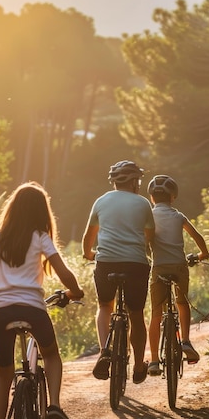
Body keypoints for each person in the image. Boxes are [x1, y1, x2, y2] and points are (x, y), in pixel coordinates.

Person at [0, 182, 84, 419]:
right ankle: (54, 406)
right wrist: (76, 292)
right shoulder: (41, 237)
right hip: (33, 309)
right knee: (52, 356)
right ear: (40, 212)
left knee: (3, 373)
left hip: (1, 311)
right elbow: (64, 273)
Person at [82, 160, 155, 384]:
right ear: (134, 181)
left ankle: (105, 350)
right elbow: (149, 237)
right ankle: (139, 364)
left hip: (106, 263)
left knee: (105, 305)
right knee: (136, 313)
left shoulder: (101, 201)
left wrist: (89, 254)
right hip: (135, 264)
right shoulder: (143, 204)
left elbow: (88, 238)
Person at [147, 175, 209, 376]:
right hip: (179, 267)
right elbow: (198, 237)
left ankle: (155, 361)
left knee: (156, 314)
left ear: (151, 197)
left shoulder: (148, 216)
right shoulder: (178, 216)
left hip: (158, 267)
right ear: (172, 197)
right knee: (182, 303)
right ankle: (185, 341)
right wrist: (203, 254)